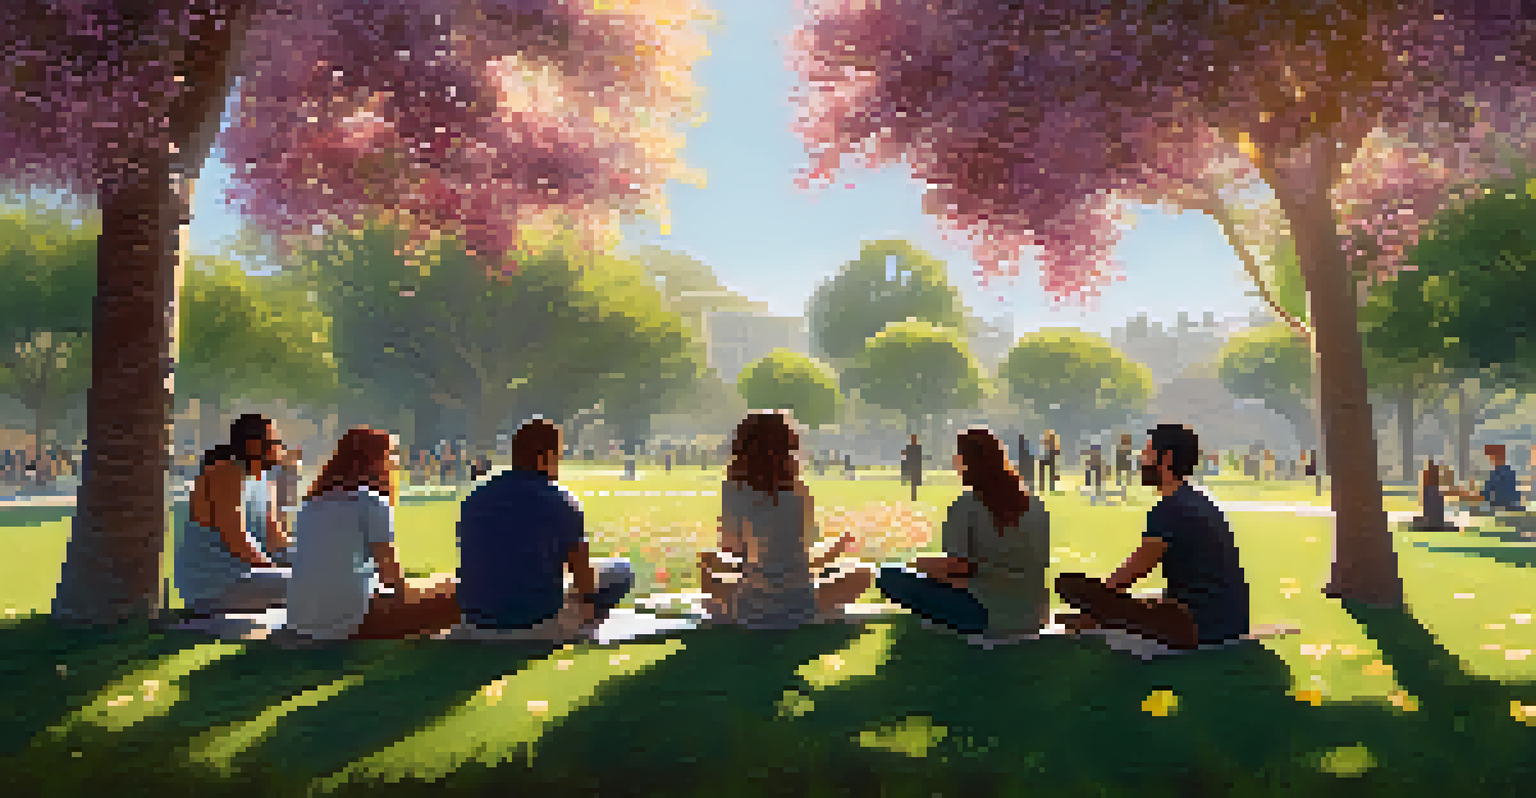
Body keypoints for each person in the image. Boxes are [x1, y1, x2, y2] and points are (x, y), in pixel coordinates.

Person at [1056, 423, 1250, 650]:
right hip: (1229, 620)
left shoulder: (1169, 508)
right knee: (1138, 604)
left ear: (1165, 458)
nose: (1141, 460)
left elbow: (1135, 569)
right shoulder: (1200, 499)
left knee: (1075, 589)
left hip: (1202, 625)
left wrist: (1095, 607)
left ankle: (1104, 615)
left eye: (1147, 453)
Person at [457, 418, 633, 638]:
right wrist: (587, 604)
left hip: (476, 622)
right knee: (622, 570)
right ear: (545, 458)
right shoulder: (561, 499)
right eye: (558, 455)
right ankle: (588, 627)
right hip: (537, 625)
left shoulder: (475, 497)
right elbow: (583, 578)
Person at [698, 411, 875, 629]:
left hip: (750, 606)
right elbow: (804, 557)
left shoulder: (733, 491)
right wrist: (836, 549)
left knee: (708, 564)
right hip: (801, 604)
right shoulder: (799, 491)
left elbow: (731, 547)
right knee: (863, 572)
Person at [877, 428, 1051, 641]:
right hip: (1034, 615)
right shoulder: (1034, 505)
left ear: (965, 461)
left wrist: (918, 563)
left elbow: (958, 567)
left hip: (985, 614)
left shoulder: (967, 504)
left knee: (889, 574)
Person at [287, 428, 460, 640]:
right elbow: (392, 579)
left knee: (443, 583)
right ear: (374, 462)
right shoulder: (370, 500)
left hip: (301, 619)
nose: (396, 462)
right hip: (347, 619)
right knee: (463, 591)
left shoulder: (311, 504)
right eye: (391, 455)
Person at [176, 414, 293, 616]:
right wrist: (275, 569)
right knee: (314, 583)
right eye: (276, 442)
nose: (281, 449)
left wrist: (312, 557)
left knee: (323, 575)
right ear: (255, 446)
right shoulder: (227, 472)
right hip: (216, 585)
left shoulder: (265, 481)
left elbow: (276, 540)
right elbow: (236, 539)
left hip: (249, 576)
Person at [1480, 444, 1523, 511]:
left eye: (1490, 457)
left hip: (1506, 511)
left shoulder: (1503, 474)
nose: (1488, 460)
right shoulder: (1498, 473)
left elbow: (1489, 496)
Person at [902, 434, 924, 502]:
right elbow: (907, 457)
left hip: (915, 466)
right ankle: (913, 496)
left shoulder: (917, 448)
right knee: (913, 483)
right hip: (912, 466)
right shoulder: (911, 447)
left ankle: (914, 496)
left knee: (914, 483)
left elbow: (919, 458)